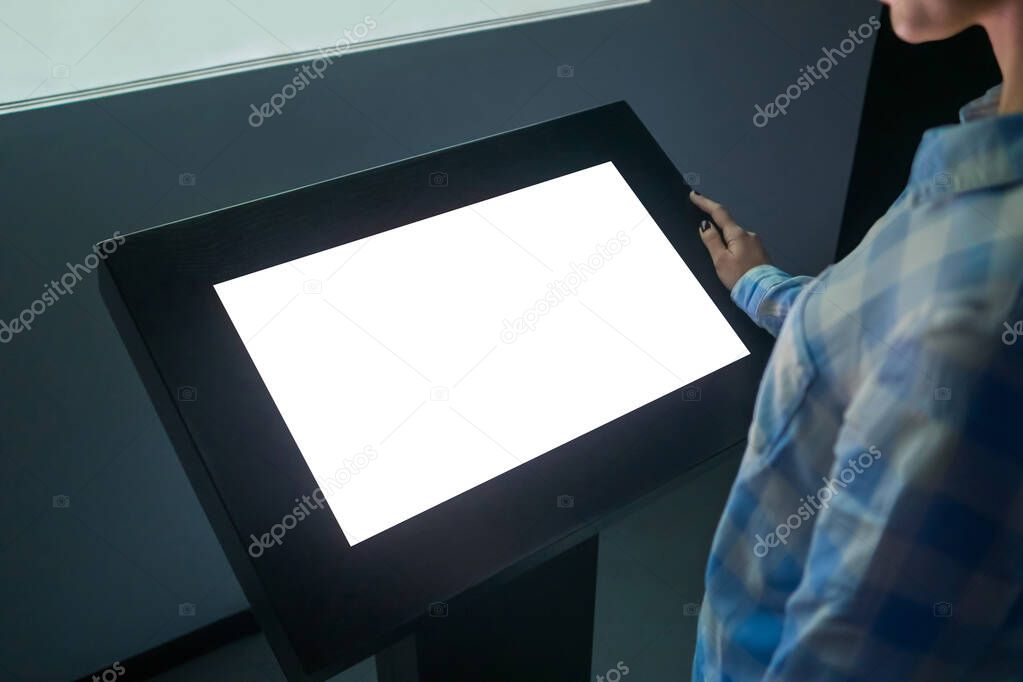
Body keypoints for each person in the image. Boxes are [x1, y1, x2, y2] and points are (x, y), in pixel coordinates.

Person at [689, 1, 1023, 679]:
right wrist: (758, 283)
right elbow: (879, 331)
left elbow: (853, 661)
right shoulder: (990, 135)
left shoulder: (984, 297)